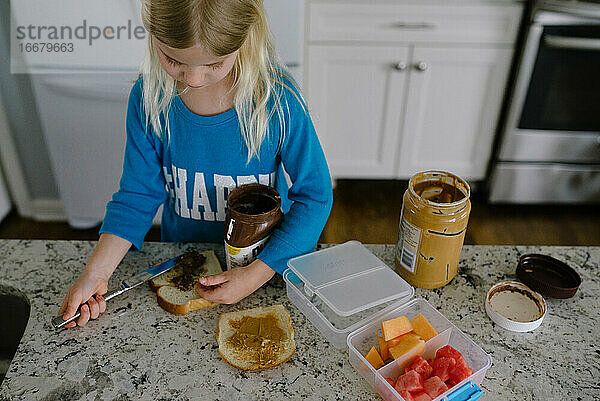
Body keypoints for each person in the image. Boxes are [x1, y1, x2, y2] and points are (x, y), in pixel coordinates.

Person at [58, 0, 333, 328]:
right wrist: (96, 273)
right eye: (173, 59)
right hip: (185, 262)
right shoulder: (149, 99)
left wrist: (255, 275)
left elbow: (315, 197)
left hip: (266, 265)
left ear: (246, 37)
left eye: (214, 64)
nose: (195, 78)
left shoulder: (277, 101)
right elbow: (137, 197)